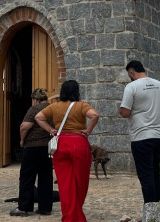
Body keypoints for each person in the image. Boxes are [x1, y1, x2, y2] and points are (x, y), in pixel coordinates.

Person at [35, 80, 99, 222]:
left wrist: (51, 130)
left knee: (65, 184)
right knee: (80, 182)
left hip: (61, 144)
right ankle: (76, 216)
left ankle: (69, 217)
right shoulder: (81, 105)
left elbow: (38, 117)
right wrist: (88, 130)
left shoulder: (55, 106)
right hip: (79, 143)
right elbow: (94, 115)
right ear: (76, 91)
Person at [119, 60, 160, 204]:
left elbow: (125, 112)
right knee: (155, 172)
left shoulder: (131, 87)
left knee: (145, 175)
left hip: (141, 135)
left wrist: (123, 110)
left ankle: (150, 210)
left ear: (131, 72)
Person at [10, 88, 53, 217]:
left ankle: (24, 207)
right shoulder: (52, 109)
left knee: (27, 177)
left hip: (33, 147)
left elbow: (24, 127)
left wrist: (22, 140)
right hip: (47, 147)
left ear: (35, 99)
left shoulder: (34, 109)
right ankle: (45, 207)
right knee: (46, 177)